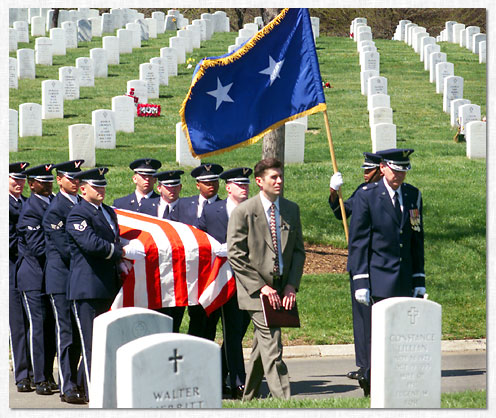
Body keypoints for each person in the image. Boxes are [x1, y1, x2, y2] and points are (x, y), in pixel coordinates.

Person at [348, 148, 426, 397]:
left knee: (399, 335)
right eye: (395, 170)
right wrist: (361, 280)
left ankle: (396, 383)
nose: (399, 176)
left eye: (403, 171)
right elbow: (359, 241)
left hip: (403, 277)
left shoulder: (413, 195)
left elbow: (416, 239)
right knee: (374, 335)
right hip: (376, 276)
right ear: (382, 168)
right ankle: (371, 384)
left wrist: (418, 278)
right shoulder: (368, 196)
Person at [227, 158, 305, 400]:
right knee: (273, 343)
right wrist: (261, 287)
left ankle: (248, 399)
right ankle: (285, 402)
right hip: (255, 293)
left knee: (263, 347)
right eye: (274, 177)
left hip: (282, 289)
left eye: (281, 176)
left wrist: (291, 285)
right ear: (259, 182)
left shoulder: (291, 209)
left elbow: (298, 252)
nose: (279, 181)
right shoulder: (244, 212)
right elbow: (235, 254)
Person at [66, 167, 144, 400]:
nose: (101, 190)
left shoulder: (107, 211)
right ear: (83, 189)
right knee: (91, 343)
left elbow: (111, 236)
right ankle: (92, 391)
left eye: (103, 185)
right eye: (96, 186)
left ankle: (97, 385)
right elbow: (91, 244)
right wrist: (120, 251)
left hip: (107, 285)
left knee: (106, 341)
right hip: (87, 287)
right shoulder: (77, 214)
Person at [198, 167, 253, 399]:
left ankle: (219, 373)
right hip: (224, 279)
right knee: (231, 330)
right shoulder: (212, 212)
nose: (244, 188)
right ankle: (238, 382)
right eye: (239, 185)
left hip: (251, 280)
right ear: (228, 187)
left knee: (239, 332)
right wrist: (215, 250)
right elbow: (199, 240)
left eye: (246, 185)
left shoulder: (256, 210)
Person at [328, 152, 383, 382]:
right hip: (361, 263)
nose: (364, 173)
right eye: (364, 169)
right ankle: (364, 365)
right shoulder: (362, 191)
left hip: (380, 262)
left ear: (381, 170)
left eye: (369, 170)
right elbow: (341, 212)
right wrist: (333, 192)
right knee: (361, 318)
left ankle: (380, 364)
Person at [42, 160, 86, 404]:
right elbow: (65, 248)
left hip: (78, 278)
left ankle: (77, 381)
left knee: (78, 334)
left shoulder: (82, 204)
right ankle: (67, 386)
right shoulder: (55, 210)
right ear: (59, 180)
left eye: (77, 178)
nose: (75, 181)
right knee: (66, 333)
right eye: (70, 178)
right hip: (61, 280)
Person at [16, 163, 57, 396]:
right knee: (38, 328)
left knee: (50, 328)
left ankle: (47, 375)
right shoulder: (30, 209)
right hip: (33, 277)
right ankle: (38, 377)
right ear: (31, 185)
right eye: (42, 181)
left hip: (48, 276)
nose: (48, 183)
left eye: (49, 179)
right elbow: (38, 246)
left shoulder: (51, 203)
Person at [169, 163, 223, 337]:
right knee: (175, 317)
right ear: (197, 184)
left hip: (211, 271)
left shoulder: (224, 207)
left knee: (206, 319)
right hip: (184, 269)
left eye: (215, 182)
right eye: (207, 182)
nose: (211, 185)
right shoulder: (182, 205)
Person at [138, 169, 186, 332]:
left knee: (175, 320)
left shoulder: (189, 209)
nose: (171, 190)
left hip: (180, 274)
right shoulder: (145, 207)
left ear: (180, 188)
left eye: (175, 186)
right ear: (159, 188)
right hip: (153, 272)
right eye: (167, 186)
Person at [9, 162, 33, 393]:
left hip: (26, 267)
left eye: (22, 179)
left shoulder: (25, 202)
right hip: (11, 267)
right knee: (17, 324)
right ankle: (22, 374)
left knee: (31, 322)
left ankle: (35, 371)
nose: (19, 183)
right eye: (14, 179)